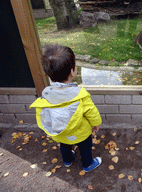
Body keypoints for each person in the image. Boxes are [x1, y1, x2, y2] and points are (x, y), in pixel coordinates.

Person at [30, 44, 102, 172]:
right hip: (81, 132)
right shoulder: (80, 94)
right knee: (85, 147)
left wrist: (50, 130)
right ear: (72, 71)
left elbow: (46, 115)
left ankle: (68, 161)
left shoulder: (46, 94)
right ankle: (88, 164)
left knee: (65, 145)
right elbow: (91, 112)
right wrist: (95, 123)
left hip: (61, 133)